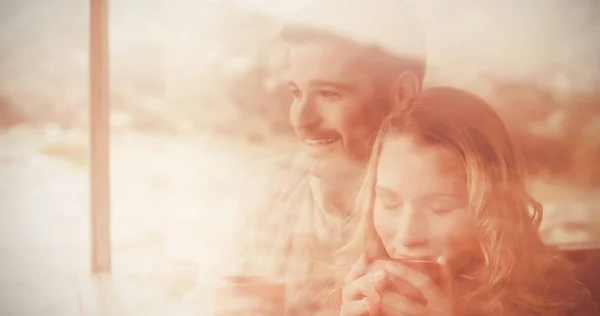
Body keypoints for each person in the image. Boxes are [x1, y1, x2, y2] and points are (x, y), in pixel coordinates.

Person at [176, 0, 427, 315]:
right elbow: (202, 304)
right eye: (296, 93)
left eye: (329, 94)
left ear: (402, 94)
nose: (302, 119)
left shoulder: (434, 219)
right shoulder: (270, 191)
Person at [337, 87, 600, 316]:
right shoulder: (349, 286)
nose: (408, 235)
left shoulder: (560, 304)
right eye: (390, 203)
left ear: (492, 208)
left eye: (440, 208)